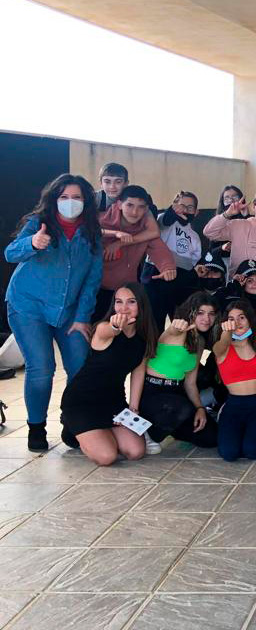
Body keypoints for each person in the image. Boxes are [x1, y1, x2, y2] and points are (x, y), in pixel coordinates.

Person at [5, 174, 103, 451]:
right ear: (54, 199)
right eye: (64, 197)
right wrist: (32, 243)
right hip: (28, 305)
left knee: (79, 366)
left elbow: (92, 279)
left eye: (76, 197)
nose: (70, 202)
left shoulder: (92, 231)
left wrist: (82, 317)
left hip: (69, 311)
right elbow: (10, 254)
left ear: (86, 201)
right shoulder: (39, 223)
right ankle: (36, 427)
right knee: (42, 367)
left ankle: (71, 420)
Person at [59, 283, 157, 465]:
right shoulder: (103, 328)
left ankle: (99, 434)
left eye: (131, 302)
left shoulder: (143, 338)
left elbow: (138, 372)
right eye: (119, 302)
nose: (124, 308)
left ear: (141, 304)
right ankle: (71, 427)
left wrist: (133, 408)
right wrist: (115, 326)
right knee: (107, 457)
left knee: (136, 451)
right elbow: (109, 329)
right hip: (82, 401)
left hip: (113, 402)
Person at [133, 292, 219, 453]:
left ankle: (171, 428)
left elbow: (190, 383)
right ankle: (148, 433)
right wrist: (176, 327)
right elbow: (173, 330)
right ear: (190, 313)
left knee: (210, 437)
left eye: (211, 314)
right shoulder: (175, 332)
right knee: (183, 408)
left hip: (177, 393)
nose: (206, 318)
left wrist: (200, 408)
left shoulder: (199, 341)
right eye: (200, 313)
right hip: (153, 392)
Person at [213, 301, 256, 461]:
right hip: (234, 404)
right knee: (229, 453)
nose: (236, 322)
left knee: (252, 451)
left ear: (250, 319)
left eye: (241, 317)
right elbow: (222, 344)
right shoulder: (221, 347)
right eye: (231, 319)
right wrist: (227, 332)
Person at [96, 185, 177, 322]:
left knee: (127, 328)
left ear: (146, 209)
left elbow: (158, 247)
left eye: (141, 207)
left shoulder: (145, 230)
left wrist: (168, 267)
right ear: (119, 204)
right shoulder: (100, 222)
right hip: (96, 290)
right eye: (130, 205)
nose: (134, 212)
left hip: (126, 291)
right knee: (96, 329)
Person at [203, 189, 256, 305]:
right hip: (238, 285)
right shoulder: (239, 224)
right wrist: (227, 214)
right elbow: (209, 232)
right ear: (254, 207)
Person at [144, 190, 202, 328]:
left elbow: (194, 261)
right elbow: (166, 220)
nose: (185, 210)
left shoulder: (195, 236)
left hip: (181, 277)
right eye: (181, 206)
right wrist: (172, 212)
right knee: (154, 320)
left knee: (182, 321)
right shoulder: (163, 219)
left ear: (196, 212)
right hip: (157, 273)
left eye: (190, 207)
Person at [210, 185, 247, 256]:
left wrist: (246, 216)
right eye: (227, 198)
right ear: (222, 202)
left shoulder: (248, 219)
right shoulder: (218, 221)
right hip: (224, 258)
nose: (231, 200)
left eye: (234, 197)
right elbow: (211, 251)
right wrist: (222, 248)